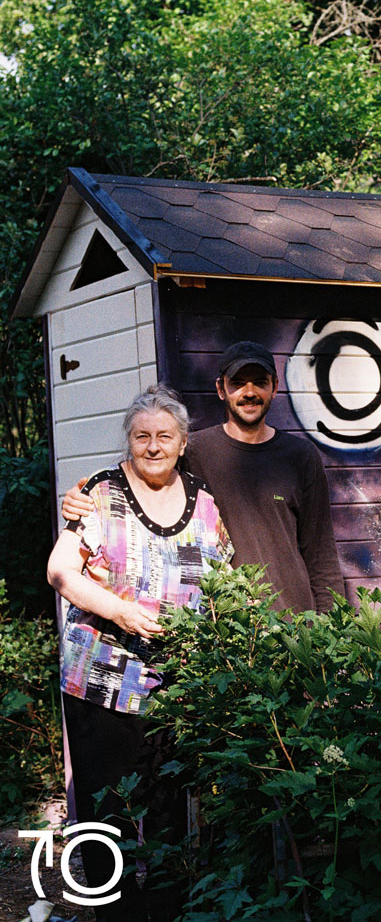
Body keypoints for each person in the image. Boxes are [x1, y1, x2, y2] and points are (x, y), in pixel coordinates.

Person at [47, 384, 233, 922]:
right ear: (129, 441)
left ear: (182, 443)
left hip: (175, 685)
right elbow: (61, 571)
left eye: (164, 436)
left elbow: (222, 579)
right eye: (141, 435)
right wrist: (119, 611)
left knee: (172, 808)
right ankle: (115, 914)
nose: (153, 446)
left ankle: (171, 909)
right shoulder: (99, 492)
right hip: (101, 678)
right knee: (107, 813)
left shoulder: (204, 500)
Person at [63, 341, 344, 613]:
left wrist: (330, 629)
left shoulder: (301, 456)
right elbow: (139, 474)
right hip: (225, 626)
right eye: (237, 383)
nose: (249, 392)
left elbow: (321, 552)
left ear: (274, 388)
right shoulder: (192, 451)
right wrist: (83, 499)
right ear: (221, 389)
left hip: (295, 622)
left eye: (259, 382)